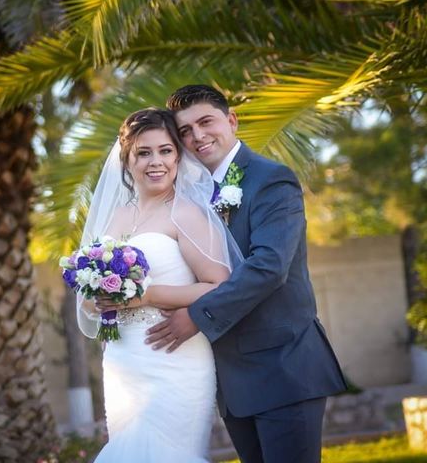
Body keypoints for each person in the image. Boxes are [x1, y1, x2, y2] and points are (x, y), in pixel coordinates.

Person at [145, 85, 347, 463]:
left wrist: (196, 317)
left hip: (283, 367)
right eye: (185, 131)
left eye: (206, 122)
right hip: (233, 382)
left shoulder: (271, 180)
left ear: (231, 120)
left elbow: (269, 267)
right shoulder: (190, 197)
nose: (197, 136)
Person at [76, 108, 242, 462]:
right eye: (144, 152)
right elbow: (88, 298)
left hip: (175, 358)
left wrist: (142, 296)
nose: (157, 162)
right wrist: (100, 297)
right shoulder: (115, 216)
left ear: (178, 157)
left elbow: (219, 286)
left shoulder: (186, 213)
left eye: (166, 151)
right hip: (123, 362)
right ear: (126, 160)